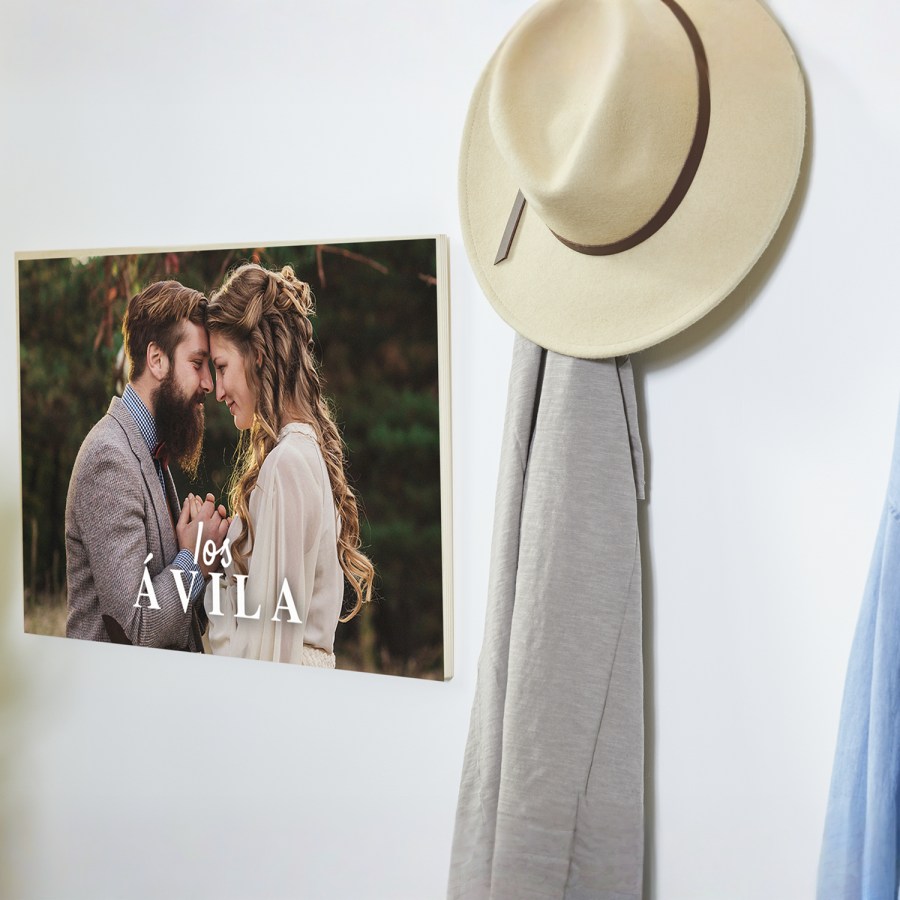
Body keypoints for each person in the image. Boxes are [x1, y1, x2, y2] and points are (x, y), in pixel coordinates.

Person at [203, 263, 374, 667]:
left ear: (258, 355)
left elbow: (261, 659)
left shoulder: (288, 465)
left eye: (222, 367)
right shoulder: (302, 453)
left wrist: (207, 572)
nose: (219, 390)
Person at [65, 280, 229, 651]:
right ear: (157, 360)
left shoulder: (149, 452)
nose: (208, 383)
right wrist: (194, 559)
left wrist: (213, 554)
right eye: (197, 364)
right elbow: (139, 627)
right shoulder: (109, 458)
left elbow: (178, 620)